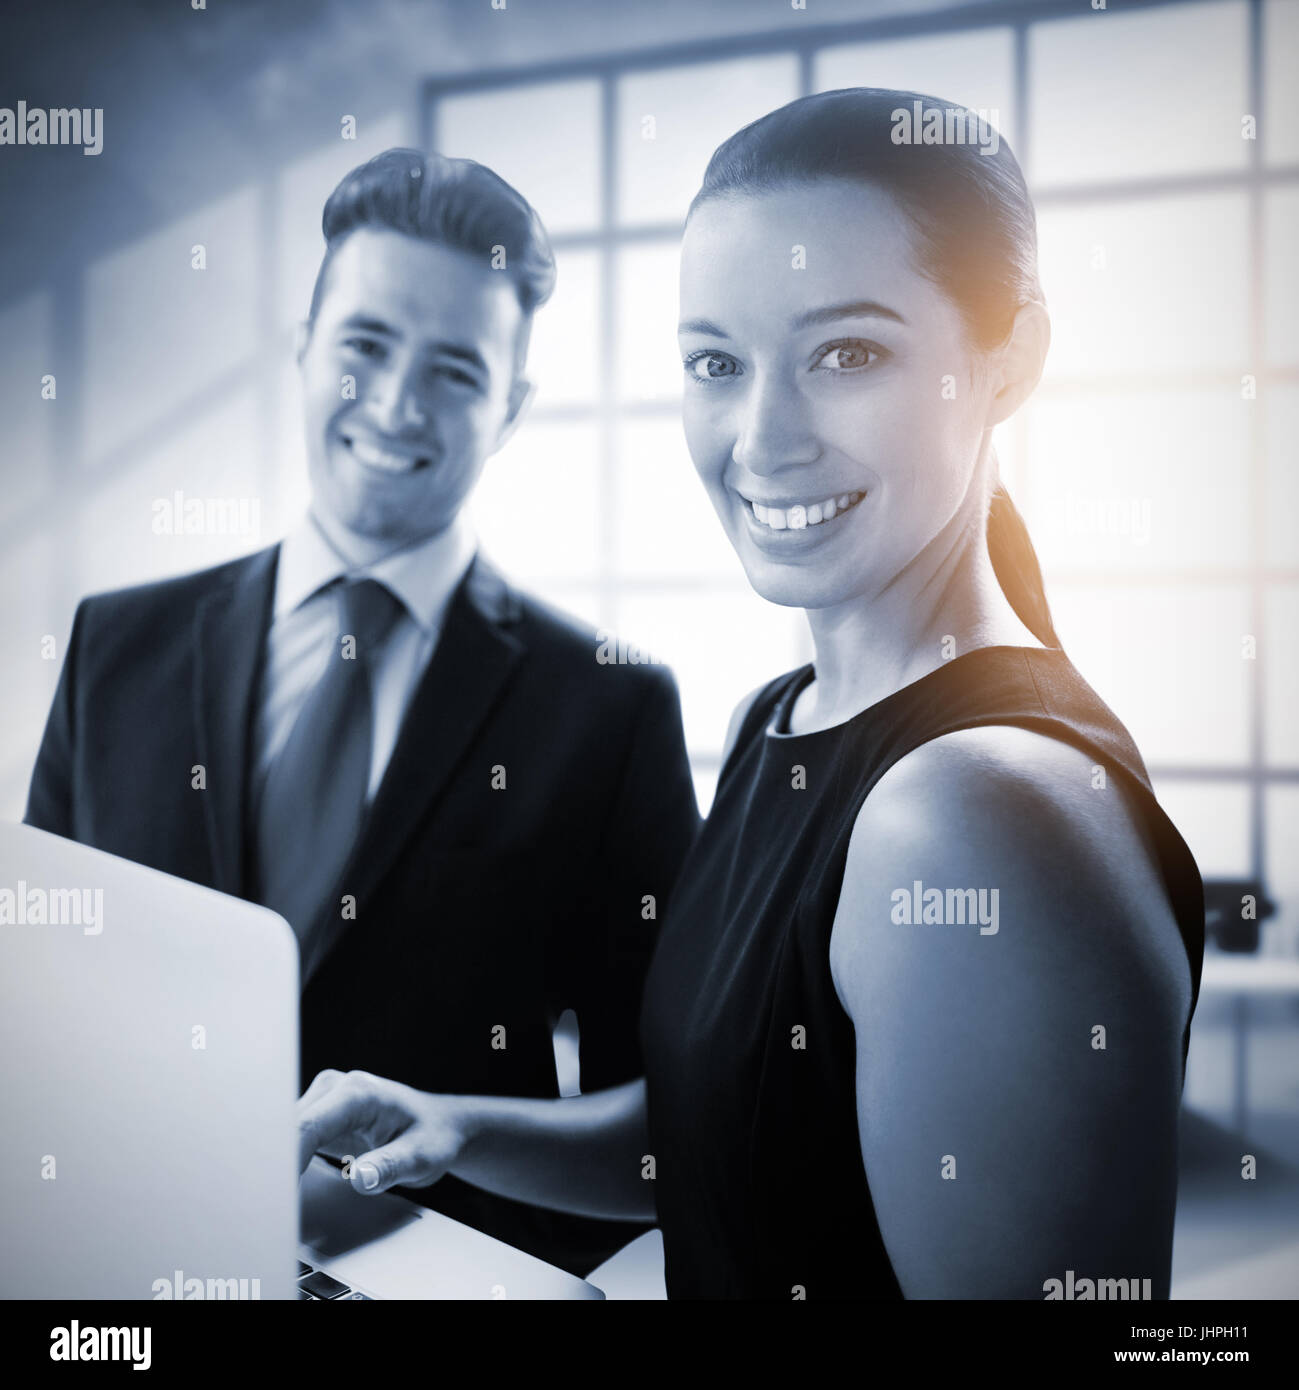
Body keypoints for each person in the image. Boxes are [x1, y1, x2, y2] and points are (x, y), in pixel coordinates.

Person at [294, 93, 1205, 1300]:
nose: (763, 437)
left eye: (848, 353)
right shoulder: (784, 715)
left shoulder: (970, 813)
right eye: (716, 363)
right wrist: (460, 1129)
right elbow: (730, 1135)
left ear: (1010, 362)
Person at [24, 148, 699, 1278]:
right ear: (303, 346)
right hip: (111, 1263)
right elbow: (32, 992)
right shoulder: (114, 646)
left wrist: (468, 1141)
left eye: (455, 370)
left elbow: (668, 1131)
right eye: (366, 346)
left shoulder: (609, 705)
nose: (395, 404)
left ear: (512, 408)